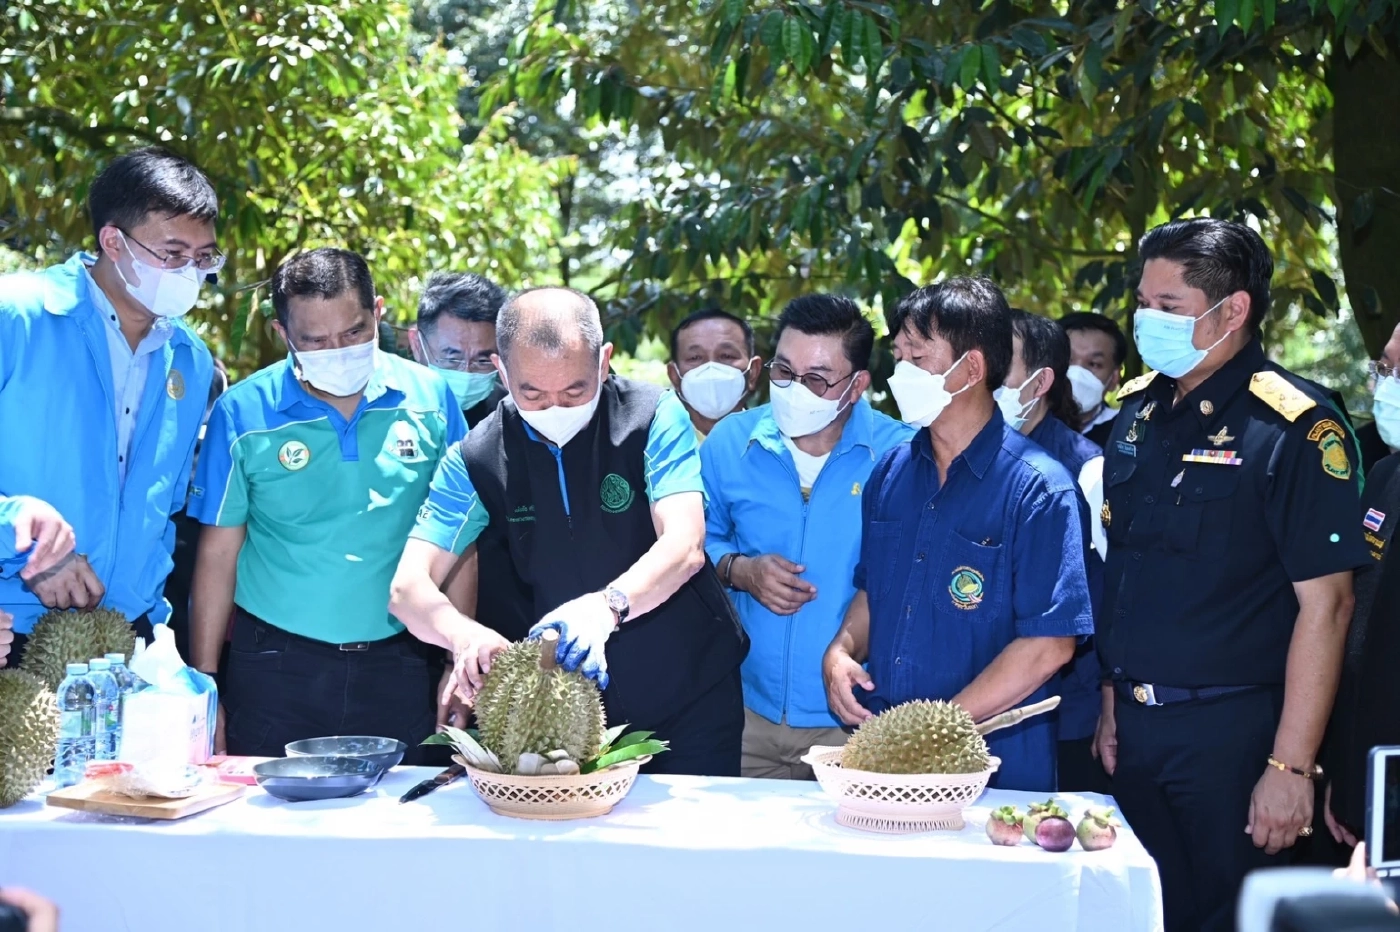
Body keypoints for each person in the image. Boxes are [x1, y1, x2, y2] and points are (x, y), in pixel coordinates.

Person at [1093, 218, 1367, 932]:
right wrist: (1116, 697)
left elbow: (1328, 608)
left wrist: (1291, 766)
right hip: (1137, 730)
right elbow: (1128, 572)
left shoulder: (1297, 428)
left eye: (1169, 307)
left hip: (1237, 738)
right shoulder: (1138, 412)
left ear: (1233, 310)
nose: (1146, 320)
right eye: (1143, 303)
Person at [389, 286, 750, 776]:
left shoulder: (652, 416)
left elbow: (684, 545)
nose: (555, 407)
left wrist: (606, 607)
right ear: (502, 370)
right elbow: (407, 588)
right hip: (567, 714)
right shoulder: (475, 457)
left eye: (575, 390)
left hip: (690, 691)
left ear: (604, 362)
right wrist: (463, 636)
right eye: (532, 393)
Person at [188, 248, 466, 762]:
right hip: (276, 667)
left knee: (404, 826)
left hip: (403, 663)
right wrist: (205, 683)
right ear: (282, 333)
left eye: (355, 333)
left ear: (378, 312)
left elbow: (460, 538)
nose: (337, 350)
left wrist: (457, 660)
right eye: (315, 341)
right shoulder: (242, 413)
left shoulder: (432, 400)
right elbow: (218, 556)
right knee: (268, 832)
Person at [822, 277, 1093, 792]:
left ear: (970, 369)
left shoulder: (1039, 487)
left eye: (917, 359)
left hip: (994, 766)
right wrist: (840, 651)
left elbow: (1050, 645)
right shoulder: (891, 473)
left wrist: (931, 733)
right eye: (897, 356)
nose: (900, 373)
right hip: (885, 752)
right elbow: (875, 589)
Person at [0, 147, 218, 662]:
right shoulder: (17, 317)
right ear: (113, 241)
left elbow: (163, 515)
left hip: (126, 642)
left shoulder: (190, 360)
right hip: (12, 630)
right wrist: (15, 532)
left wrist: (156, 634)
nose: (190, 271)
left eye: (204, 256)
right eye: (172, 253)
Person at [702, 296, 912, 779]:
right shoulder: (730, 443)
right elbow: (693, 545)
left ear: (858, 385)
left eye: (817, 379)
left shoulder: (899, 455)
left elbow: (906, 579)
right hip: (742, 711)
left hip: (857, 719)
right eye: (783, 372)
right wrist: (741, 571)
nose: (795, 390)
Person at [999, 310, 1110, 794]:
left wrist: (1108, 705)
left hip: (1063, 714)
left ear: (1041, 381)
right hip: (972, 700)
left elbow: (1105, 603)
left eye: (1002, 364)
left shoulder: (1085, 470)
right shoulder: (955, 460)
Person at [1325, 320, 1400, 849]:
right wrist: (1343, 775)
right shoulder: (1384, 475)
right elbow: (1359, 633)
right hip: (1367, 770)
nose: (1385, 383)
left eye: (1399, 369)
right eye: (1385, 367)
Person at [410, 272, 510, 428]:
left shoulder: (512, 419)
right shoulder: (383, 410)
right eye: (452, 359)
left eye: (482, 361)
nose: (467, 373)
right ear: (416, 344)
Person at [667, 308, 763, 443]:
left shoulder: (779, 447)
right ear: (674, 376)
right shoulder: (653, 451)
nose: (711, 370)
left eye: (726, 355)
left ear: (753, 371)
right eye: (695, 358)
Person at [1059, 312, 1128, 448]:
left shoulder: (1126, 434)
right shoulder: (1021, 423)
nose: (1077, 373)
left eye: (1094, 364)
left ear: (1114, 378)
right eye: (1067, 359)